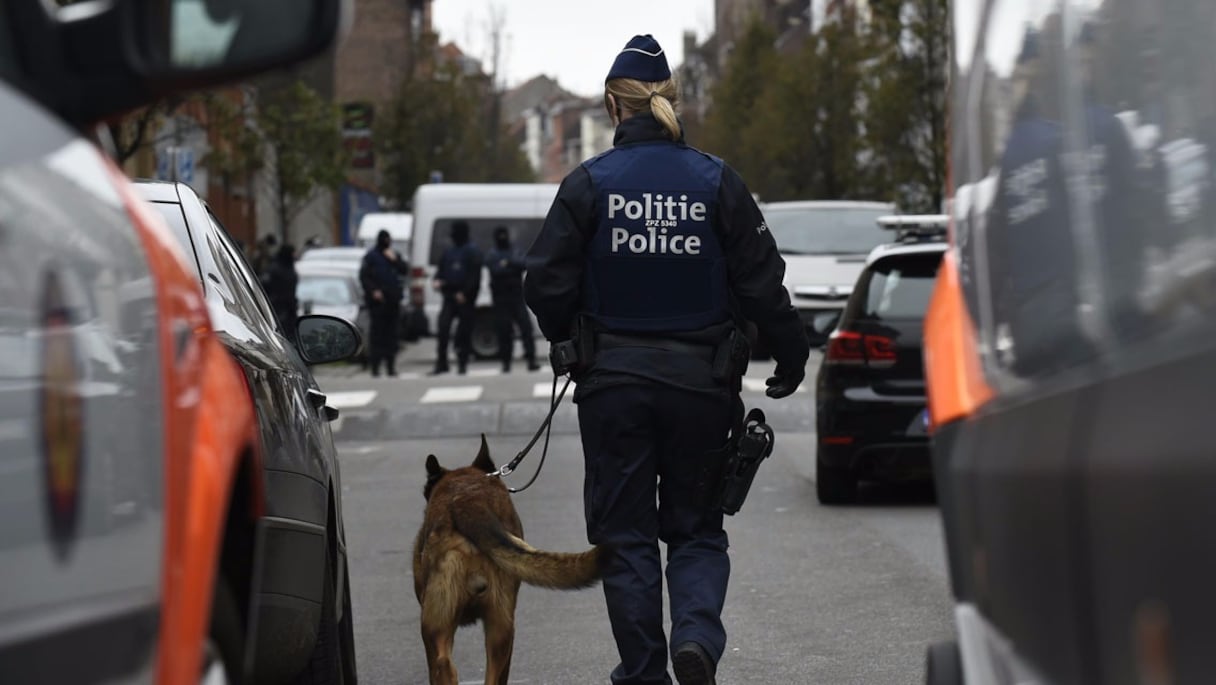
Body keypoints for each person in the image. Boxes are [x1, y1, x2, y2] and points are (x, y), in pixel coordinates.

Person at [524, 35, 810, 685]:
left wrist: (569, 338)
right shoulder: (716, 181)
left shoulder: (589, 184)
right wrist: (789, 355)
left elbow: (542, 283)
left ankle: (647, 669)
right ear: (670, 102)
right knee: (697, 530)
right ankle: (697, 637)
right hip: (702, 387)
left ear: (612, 108)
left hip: (614, 390)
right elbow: (764, 282)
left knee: (624, 536)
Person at [431, 220, 482, 375]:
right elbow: (440, 272)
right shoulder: (449, 251)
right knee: (443, 329)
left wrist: (466, 293)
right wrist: (437, 281)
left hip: (465, 299)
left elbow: (475, 277)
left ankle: (462, 363)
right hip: (449, 296)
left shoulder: (472, 251)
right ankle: (442, 363)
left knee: (463, 332)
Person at [486, 225, 540, 372]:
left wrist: (507, 263)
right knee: (504, 331)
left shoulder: (514, 250)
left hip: (516, 296)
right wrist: (510, 265)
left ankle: (531, 359)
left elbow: (523, 264)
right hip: (501, 298)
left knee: (526, 329)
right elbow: (495, 269)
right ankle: (506, 362)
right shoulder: (493, 253)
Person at [359, 229, 408, 376]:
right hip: (377, 304)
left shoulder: (393, 255)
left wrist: (395, 260)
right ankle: (375, 368)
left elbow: (404, 270)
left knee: (392, 336)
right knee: (377, 336)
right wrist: (373, 291)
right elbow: (364, 277)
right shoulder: (371, 257)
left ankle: (391, 367)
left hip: (392, 302)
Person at [262, 243, 298, 337]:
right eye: (293, 253)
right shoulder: (274, 269)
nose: (294, 255)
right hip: (276, 310)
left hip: (288, 310)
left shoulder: (289, 267)